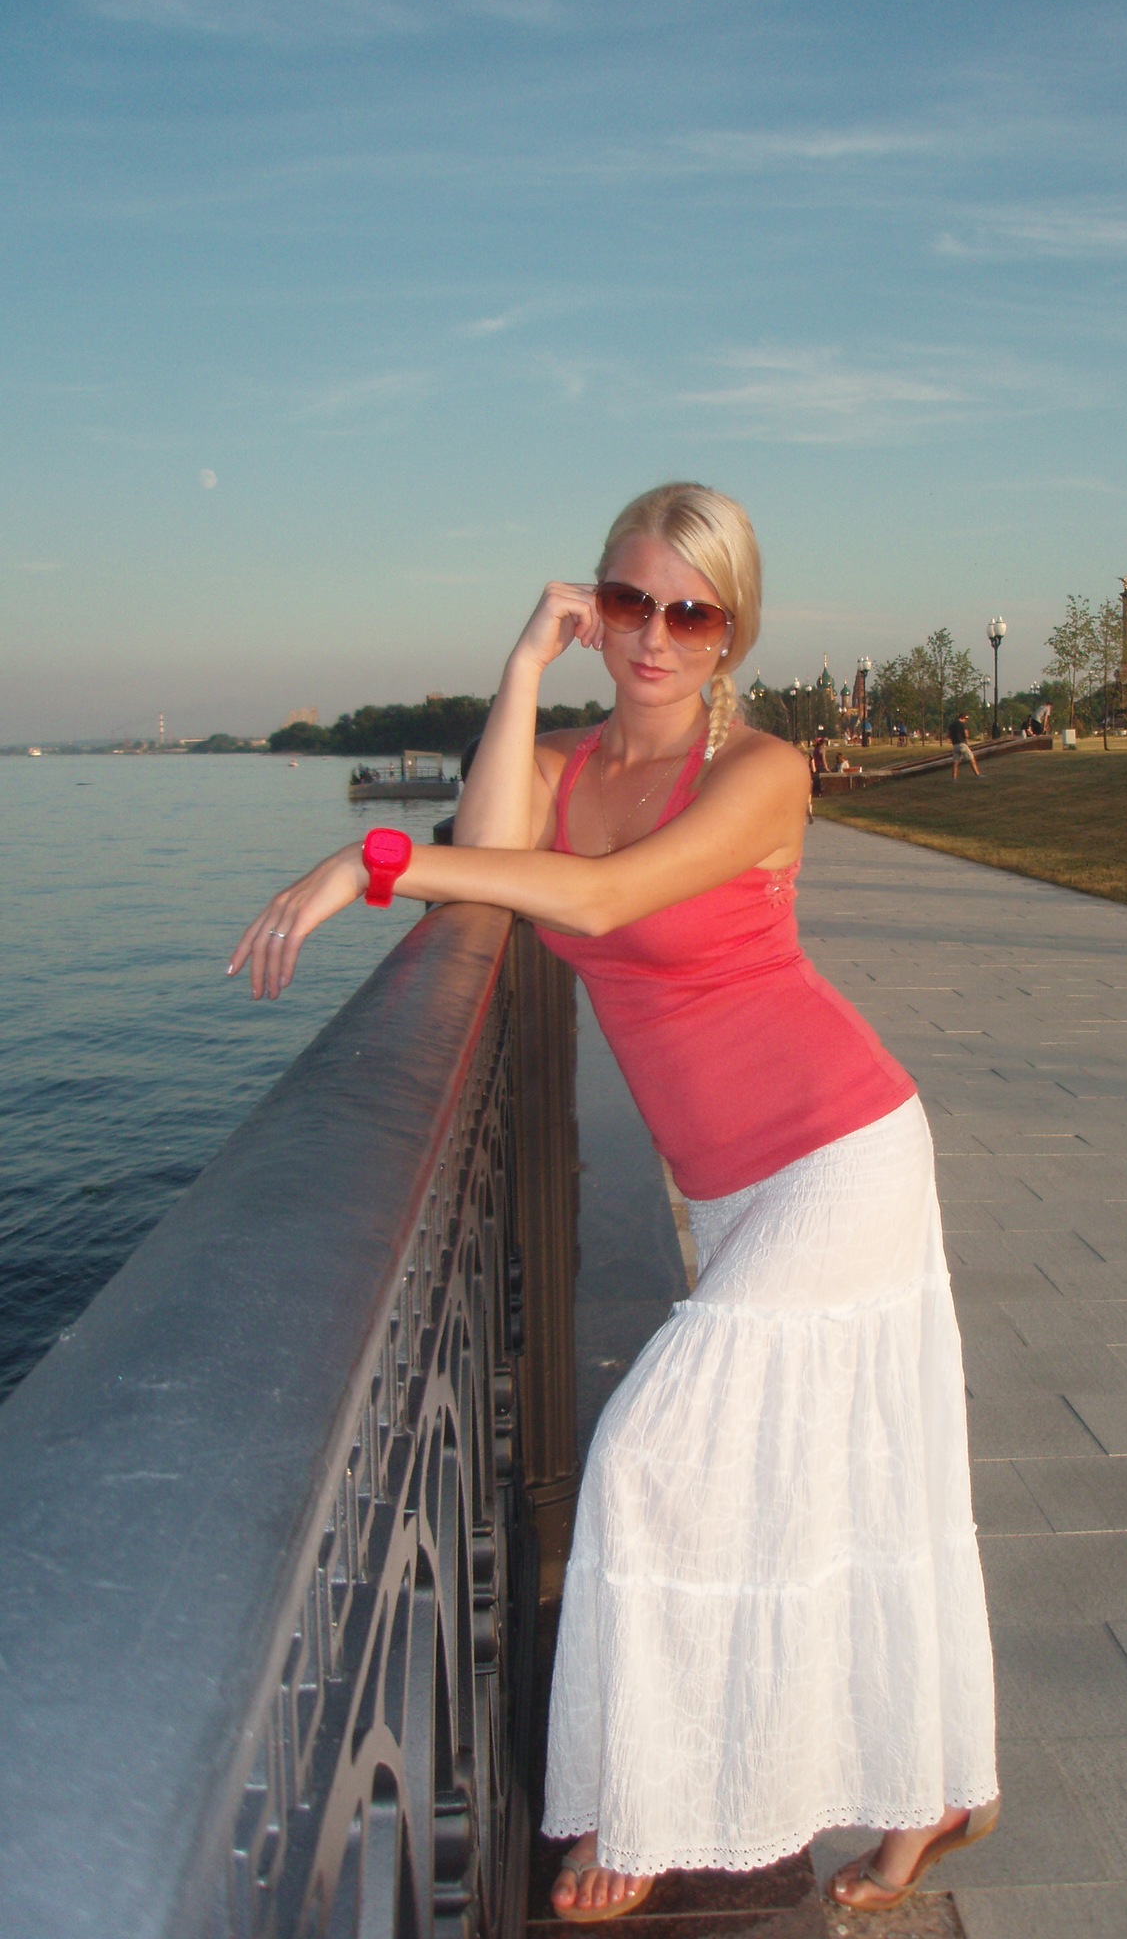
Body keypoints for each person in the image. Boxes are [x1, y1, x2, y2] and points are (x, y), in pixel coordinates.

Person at [229, 483, 998, 1923]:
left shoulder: (760, 771)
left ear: (731, 634)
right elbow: (486, 871)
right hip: (735, 1186)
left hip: (843, 1151)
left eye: (690, 612)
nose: (654, 634)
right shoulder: (568, 766)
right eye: (630, 602)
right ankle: (935, 1794)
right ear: (596, 605)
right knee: (857, 1481)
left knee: (646, 1460)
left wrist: (365, 857)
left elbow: (588, 900)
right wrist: (522, 667)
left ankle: (648, 1809)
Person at [947, 710, 981, 779]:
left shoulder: (951, 725)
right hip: (962, 744)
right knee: (971, 759)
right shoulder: (962, 724)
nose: (966, 721)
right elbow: (966, 734)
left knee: (955, 762)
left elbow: (948, 735)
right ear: (963, 718)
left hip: (955, 745)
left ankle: (954, 778)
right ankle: (978, 775)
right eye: (966, 719)